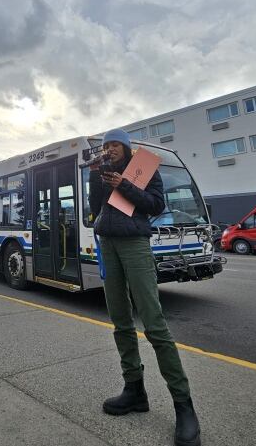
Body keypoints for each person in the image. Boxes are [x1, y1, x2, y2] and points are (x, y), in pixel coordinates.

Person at [88, 129, 201, 446]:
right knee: (120, 321)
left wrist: (122, 184)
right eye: (106, 146)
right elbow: (96, 209)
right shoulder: (102, 170)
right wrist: (98, 179)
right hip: (107, 244)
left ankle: (184, 406)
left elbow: (154, 205)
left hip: (136, 245)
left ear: (125, 148)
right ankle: (134, 390)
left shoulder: (146, 167)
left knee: (154, 323)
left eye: (114, 145)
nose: (109, 150)